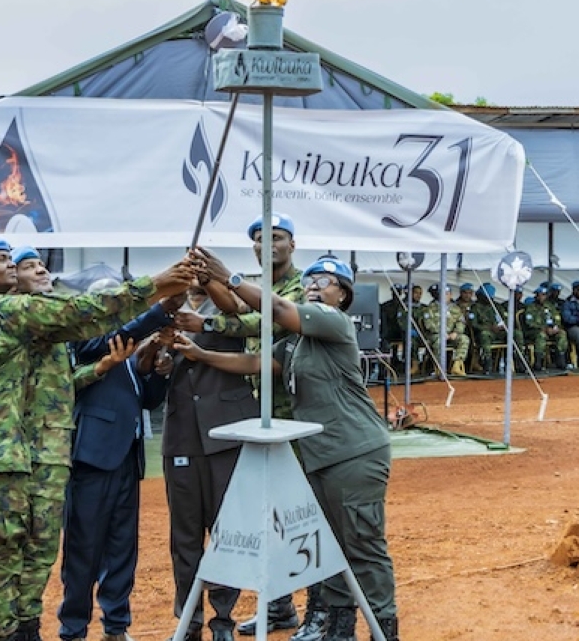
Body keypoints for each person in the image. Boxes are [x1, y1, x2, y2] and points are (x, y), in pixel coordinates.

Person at [0, 236, 193, 641]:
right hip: (0, 461)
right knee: (4, 558)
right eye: (4, 261)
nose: (13, 268)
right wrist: (155, 284)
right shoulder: (7, 310)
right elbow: (83, 311)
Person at [175, 251, 401, 641]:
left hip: (354, 453)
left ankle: (386, 628)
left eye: (325, 282)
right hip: (321, 456)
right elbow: (256, 363)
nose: (314, 287)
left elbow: (278, 307)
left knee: (362, 545)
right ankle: (340, 628)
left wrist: (230, 280)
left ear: (343, 296)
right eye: (310, 281)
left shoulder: (334, 322)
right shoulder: (297, 343)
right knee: (327, 546)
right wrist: (201, 354)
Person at [174, 213, 319, 641]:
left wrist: (214, 313)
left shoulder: (300, 286)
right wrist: (209, 277)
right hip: (265, 411)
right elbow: (235, 307)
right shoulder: (255, 282)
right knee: (267, 512)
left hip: (300, 412)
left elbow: (263, 319)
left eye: (276, 237)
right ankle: (279, 606)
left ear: (292, 243)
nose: (266, 244)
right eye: (259, 239)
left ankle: (317, 609)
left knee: (302, 512)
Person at [58, 280, 177, 641]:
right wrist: (159, 313)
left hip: (127, 457)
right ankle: (74, 629)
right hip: (93, 457)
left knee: (123, 547)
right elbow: (113, 340)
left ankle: (116, 626)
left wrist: (158, 372)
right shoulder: (87, 337)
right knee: (83, 548)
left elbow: (146, 401)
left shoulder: (130, 348)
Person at [162, 279, 260, 641]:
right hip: (182, 437)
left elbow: (234, 309)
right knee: (185, 536)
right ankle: (188, 619)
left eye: (199, 280)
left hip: (228, 436)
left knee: (228, 532)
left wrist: (210, 278)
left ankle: (223, 620)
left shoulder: (227, 312)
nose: (193, 286)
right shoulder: (164, 314)